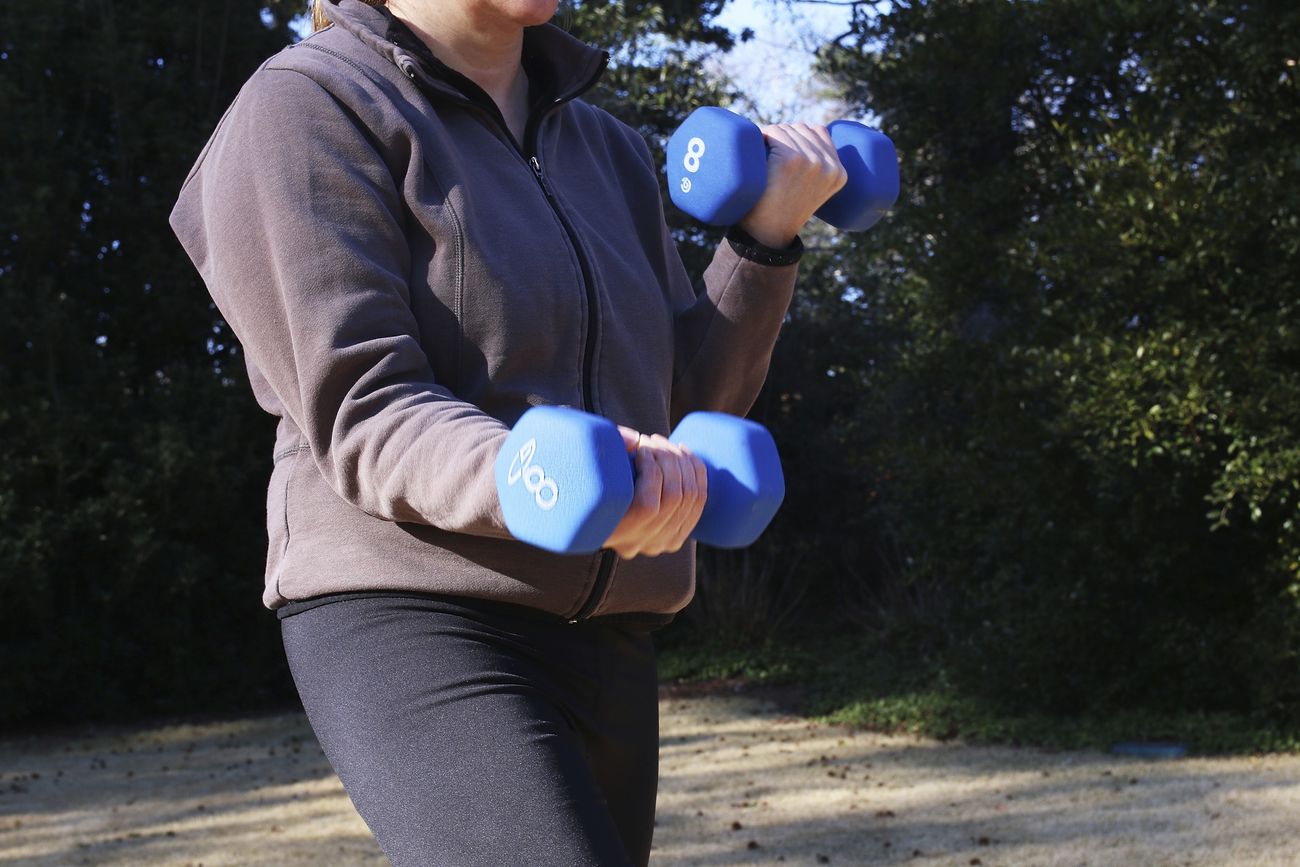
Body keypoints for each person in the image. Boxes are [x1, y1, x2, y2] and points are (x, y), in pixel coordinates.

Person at [169, 0, 846, 863]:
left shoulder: (603, 146)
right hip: (418, 613)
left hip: (612, 632)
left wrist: (765, 239)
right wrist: (540, 477)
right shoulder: (308, 106)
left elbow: (683, 403)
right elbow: (365, 408)